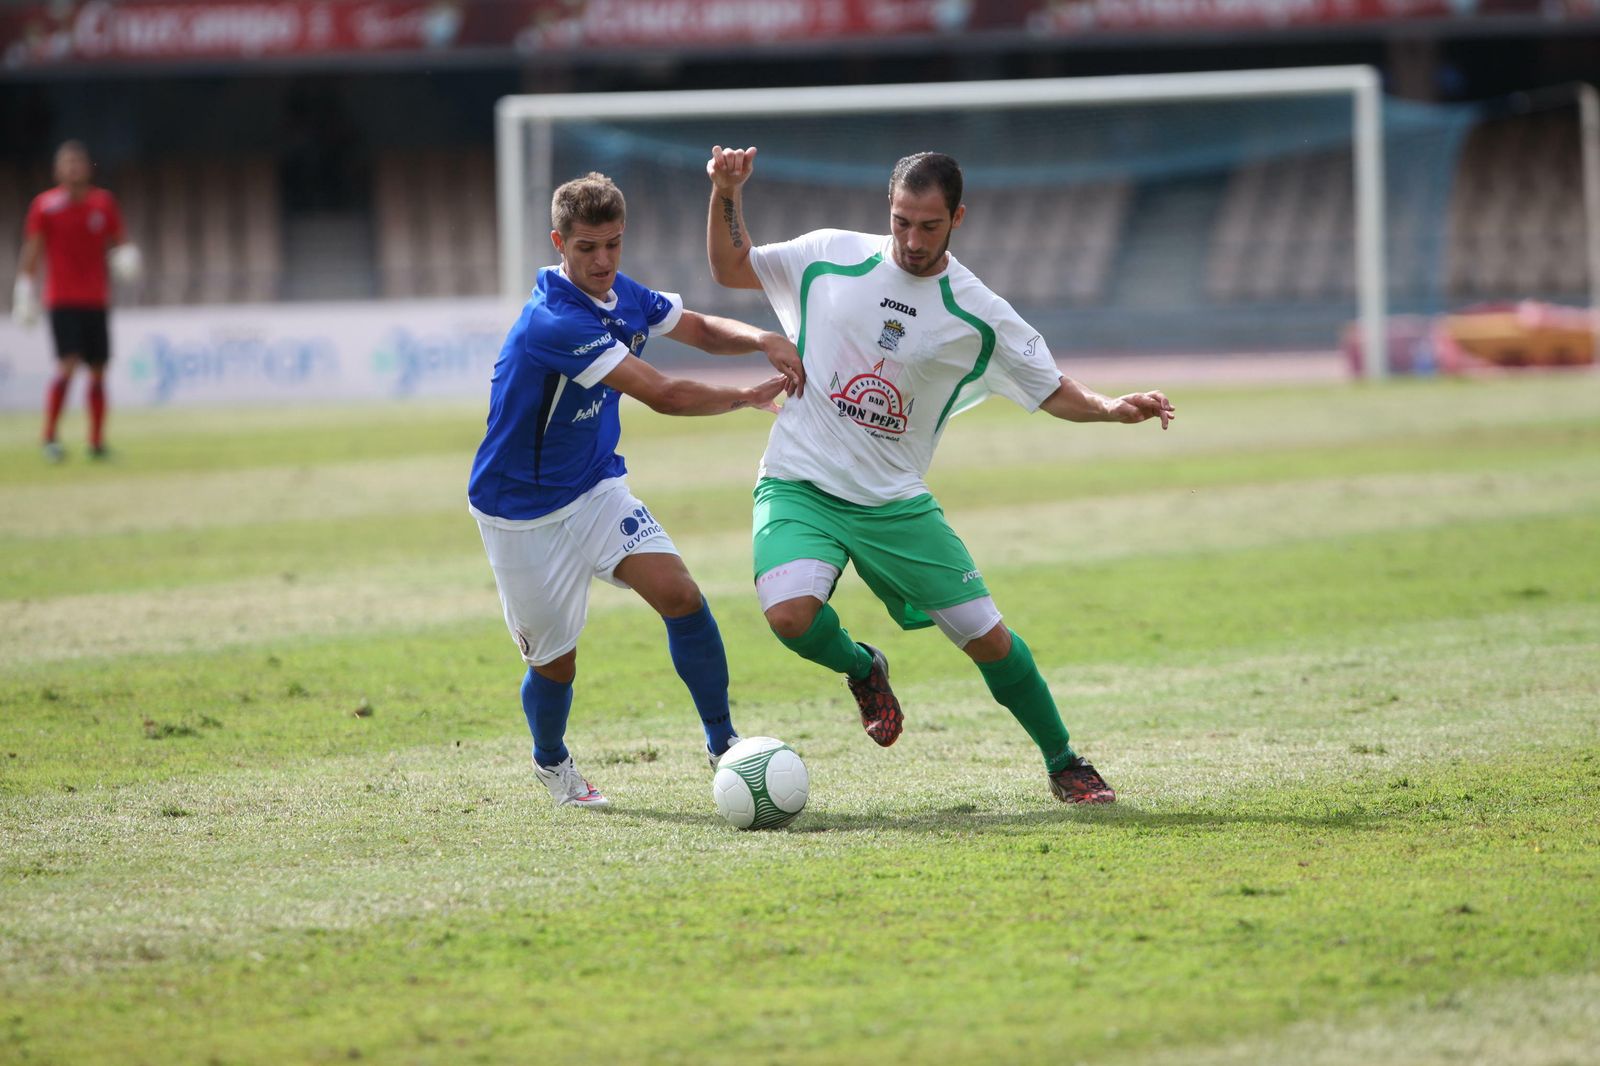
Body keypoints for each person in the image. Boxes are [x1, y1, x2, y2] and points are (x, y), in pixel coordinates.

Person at [705, 146, 1176, 804]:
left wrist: (1111, 408)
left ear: (958, 218)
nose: (912, 240)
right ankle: (863, 666)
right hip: (799, 479)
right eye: (901, 221)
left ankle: (1064, 760)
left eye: (929, 226)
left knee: (988, 640)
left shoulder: (978, 311)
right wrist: (727, 192)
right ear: (888, 209)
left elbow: (1051, 387)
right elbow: (731, 267)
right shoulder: (830, 255)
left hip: (894, 502)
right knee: (789, 617)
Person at [469, 171, 804, 810]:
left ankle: (724, 744)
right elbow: (663, 393)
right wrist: (743, 395)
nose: (603, 261)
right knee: (555, 664)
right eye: (587, 248)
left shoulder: (620, 292)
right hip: (522, 513)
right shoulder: (553, 322)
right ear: (558, 244)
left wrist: (762, 337)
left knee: (681, 595)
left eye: (613, 245)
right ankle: (551, 761)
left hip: (596, 488)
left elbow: (697, 327)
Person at [13, 140, 142, 462]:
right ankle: (49, 438)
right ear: (57, 170)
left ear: (87, 168)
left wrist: (128, 255)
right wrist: (24, 288)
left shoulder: (103, 203)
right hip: (62, 300)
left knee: (98, 370)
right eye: (67, 163)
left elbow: (120, 241)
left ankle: (96, 443)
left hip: (96, 299)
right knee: (67, 365)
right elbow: (33, 248)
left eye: (78, 162)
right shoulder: (45, 206)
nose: (73, 168)